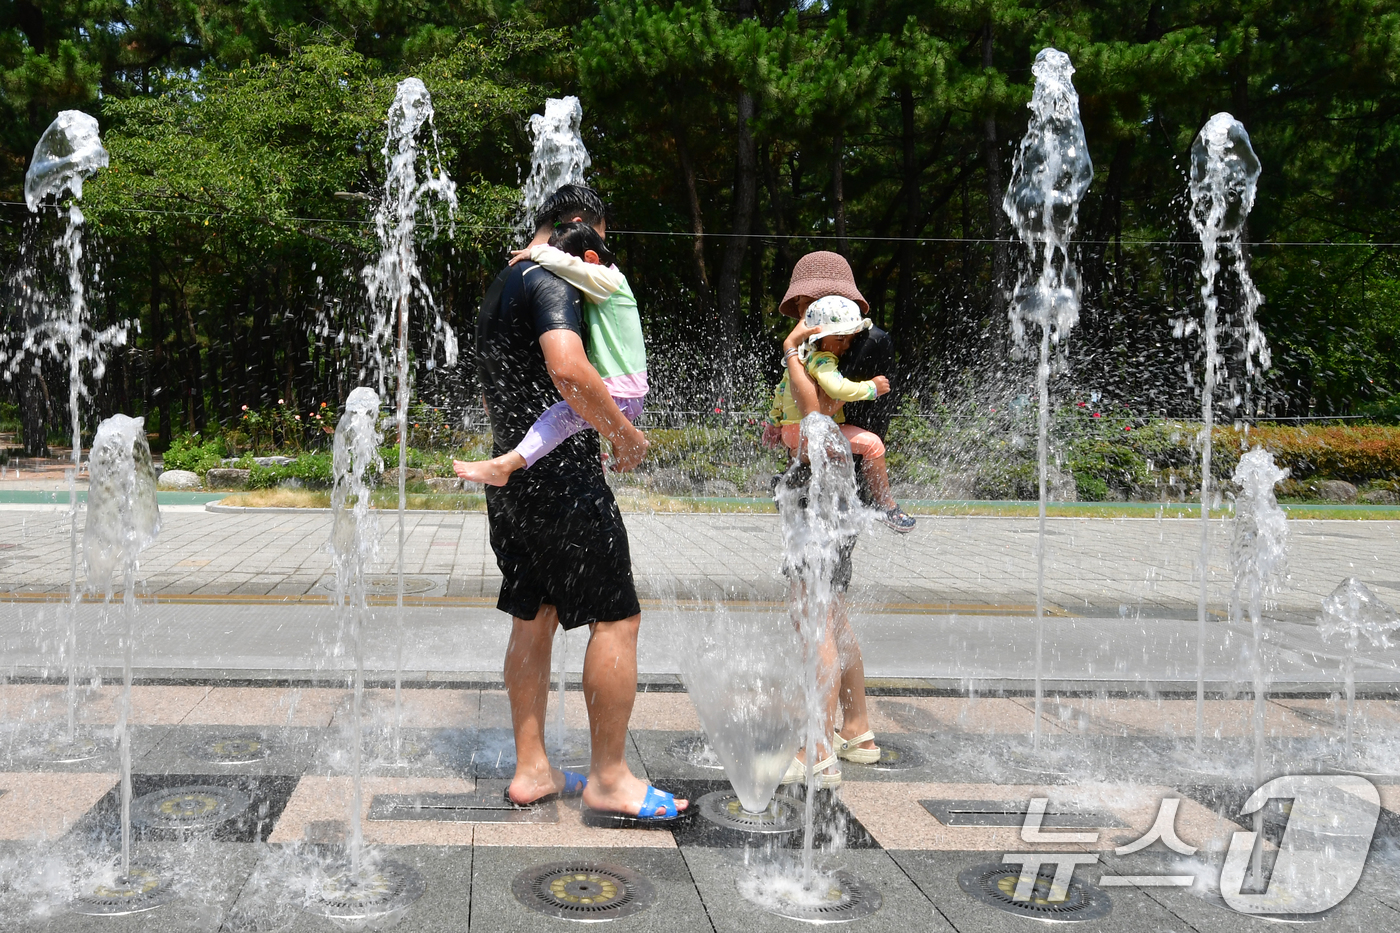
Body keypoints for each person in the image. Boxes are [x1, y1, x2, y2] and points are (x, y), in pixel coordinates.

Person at [475, 183, 686, 825]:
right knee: (616, 619)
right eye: (600, 238)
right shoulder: (551, 281)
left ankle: (533, 768)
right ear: (580, 227)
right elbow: (567, 368)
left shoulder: (502, 284)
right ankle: (610, 779)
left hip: (513, 479)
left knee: (532, 618)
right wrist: (623, 433)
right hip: (563, 482)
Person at [772, 252, 887, 787]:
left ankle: (816, 745)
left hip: (820, 496)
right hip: (841, 497)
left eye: (804, 307)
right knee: (834, 612)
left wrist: (792, 348)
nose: (800, 314)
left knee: (811, 614)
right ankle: (858, 730)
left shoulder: (818, 356)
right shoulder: (860, 350)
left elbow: (814, 414)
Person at [455, 221, 646, 486]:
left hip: (624, 392)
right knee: (571, 420)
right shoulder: (602, 291)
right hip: (625, 392)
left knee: (560, 416)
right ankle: (601, 456)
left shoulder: (611, 280)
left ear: (590, 258)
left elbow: (570, 267)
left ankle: (507, 465)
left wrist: (535, 253)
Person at [769, 294, 915, 532]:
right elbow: (836, 388)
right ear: (818, 338)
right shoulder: (823, 360)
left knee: (834, 460)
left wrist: (774, 422)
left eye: (849, 340)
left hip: (792, 434)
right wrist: (871, 388)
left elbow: (781, 390)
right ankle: (886, 505)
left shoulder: (800, 359)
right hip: (811, 433)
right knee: (873, 445)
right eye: (840, 339)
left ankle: (795, 480)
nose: (845, 346)